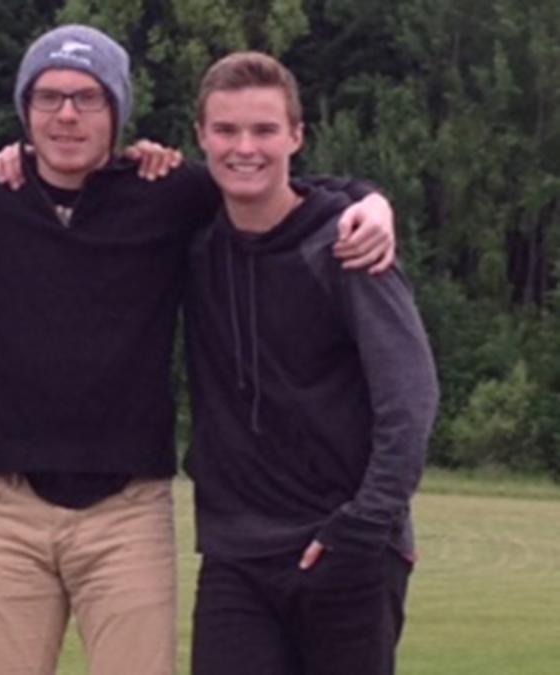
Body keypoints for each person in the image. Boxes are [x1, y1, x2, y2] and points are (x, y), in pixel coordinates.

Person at [0, 26, 396, 675]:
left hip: (128, 510)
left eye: (88, 98)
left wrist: (370, 201)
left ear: (117, 112)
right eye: (49, 97)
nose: (67, 115)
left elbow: (274, 185)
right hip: (6, 508)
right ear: (25, 112)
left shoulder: (170, 193)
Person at [184, 51, 439, 675]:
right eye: (226, 130)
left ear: (297, 136)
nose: (245, 147)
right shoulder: (193, 240)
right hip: (236, 558)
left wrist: (365, 524)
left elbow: (410, 398)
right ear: (201, 137)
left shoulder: (346, 245)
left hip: (345, 547)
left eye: (265, 130)